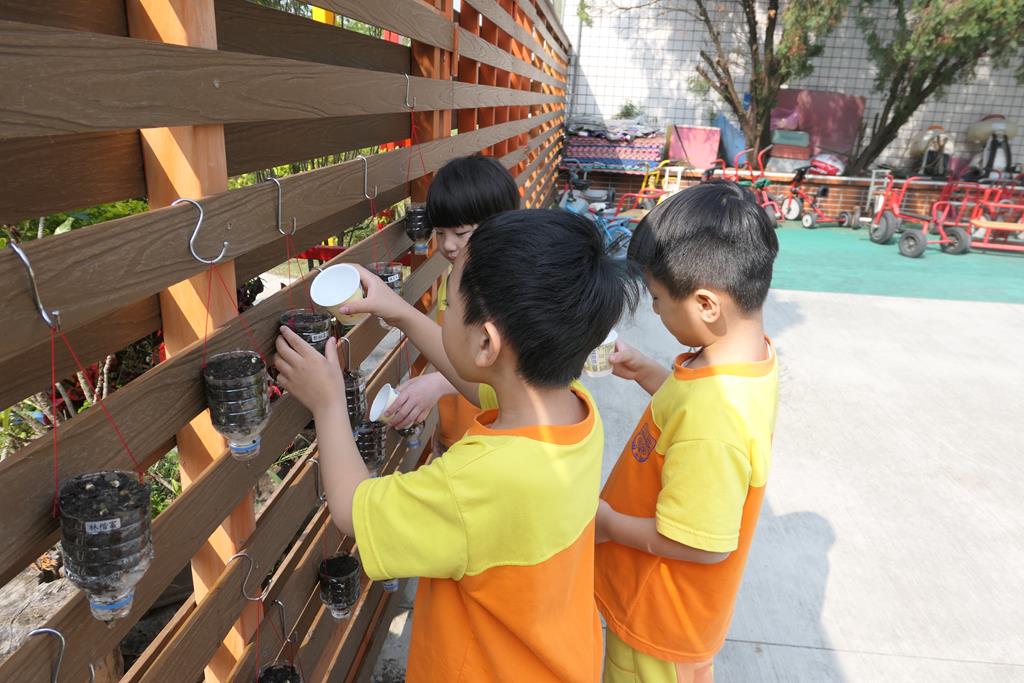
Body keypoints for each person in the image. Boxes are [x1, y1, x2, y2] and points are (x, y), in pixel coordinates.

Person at [275, 209, 639, 682]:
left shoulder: (478, 481)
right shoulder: (572, 410)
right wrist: (401, 312)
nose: (443, 310)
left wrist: (327, 402)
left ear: (486, 343)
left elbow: (351, 509)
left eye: (450, 299)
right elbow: (479, 381)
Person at [594, 181, 780, 683]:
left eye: (657, 299)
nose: (654, 311)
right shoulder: (745, 359)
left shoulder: (715, 421)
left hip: (658, 625)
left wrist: (606, 523)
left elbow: (704, 544)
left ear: (706, 304)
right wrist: (650, 373)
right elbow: (690, 411)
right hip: (661, 611)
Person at [382, 154, 520, 454]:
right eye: (440, 232)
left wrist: (438, 383)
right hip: (455, 433)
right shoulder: (457, 276)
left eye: (461, 233)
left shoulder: (510, 293)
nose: (447, 245)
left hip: (492, 444)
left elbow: (513, 376)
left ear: (501, 225)